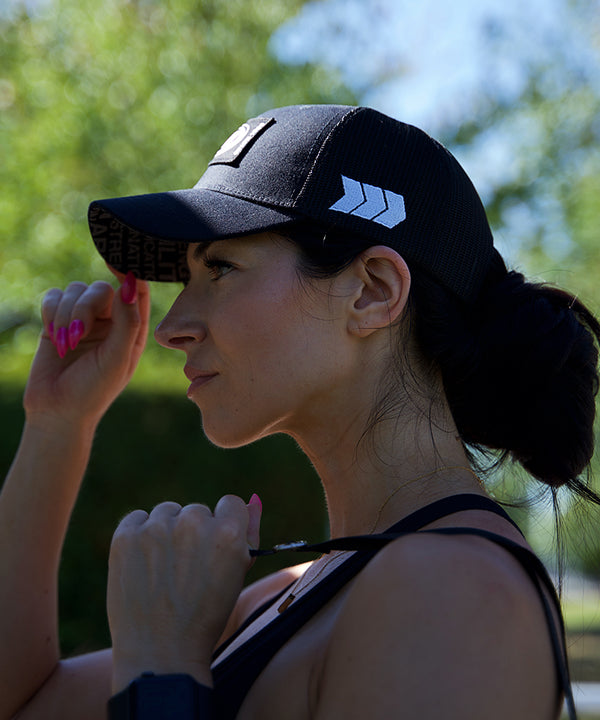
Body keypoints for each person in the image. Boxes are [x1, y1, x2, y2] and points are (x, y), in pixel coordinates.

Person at [1, 104, 598, 720]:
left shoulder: (455, 591)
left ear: (373, 291)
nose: (172, 326)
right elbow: (22, 701)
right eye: (186, 279)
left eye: (220, 269)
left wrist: (160, 673)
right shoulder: (283, 594)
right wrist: (56, 423)